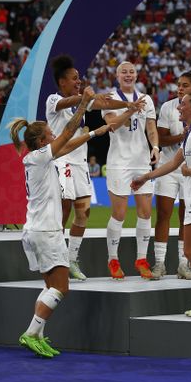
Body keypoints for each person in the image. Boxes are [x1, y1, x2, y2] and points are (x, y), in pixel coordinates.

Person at [9, 86, 111, 357]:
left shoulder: (35, 157)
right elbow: (66, 133)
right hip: (46, 230)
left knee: (50, 287)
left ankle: (38, 335)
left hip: (34, 230)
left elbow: (68, 142)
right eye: (50, 135)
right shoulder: (42, 157)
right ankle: (30, 333)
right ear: (42, 141)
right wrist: (83, 105)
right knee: (62, 287)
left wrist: (92, 133)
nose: (55, 135)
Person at [45, 55, 142, 281]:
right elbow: (73, 102)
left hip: (80, 163)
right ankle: (55, 258)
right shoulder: (53, 100)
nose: (78, 81)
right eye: (74, 78)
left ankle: (71, 259)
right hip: (61, 162)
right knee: (64, 209)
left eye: (79, 78)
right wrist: (85, 97)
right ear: (62, 82)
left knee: (83, 213)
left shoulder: (82, 100)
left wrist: (127, 104)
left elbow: (104, 103)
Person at [132, 92, 191, 318]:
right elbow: (173, 163)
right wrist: (147, 177)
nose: (178, 108)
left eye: (183, 105)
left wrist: (187, 171)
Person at [103, 62, 160, 280]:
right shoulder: (109, 98)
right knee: (119, 214)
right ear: (117, 76)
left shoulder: (146, 99)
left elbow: (151, 128)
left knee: (145, 212)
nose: (128, 75)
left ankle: (141, 260)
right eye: (123, 72)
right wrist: (130, 109)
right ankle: (113, 259)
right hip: (119, 162)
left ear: (136, 75)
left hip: (141, 162)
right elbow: (112, 125)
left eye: (131, 72)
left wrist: (155, 147)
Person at [154, 70, 191, 279]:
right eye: (179, 85)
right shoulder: (167, 107)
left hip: (190, 169)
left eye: (185, 85)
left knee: (186, 217)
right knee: (163, 214)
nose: (180, 88)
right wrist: (180, 137)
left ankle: (184, 264)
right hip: (168, 167)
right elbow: (160, 140)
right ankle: (159, 264)